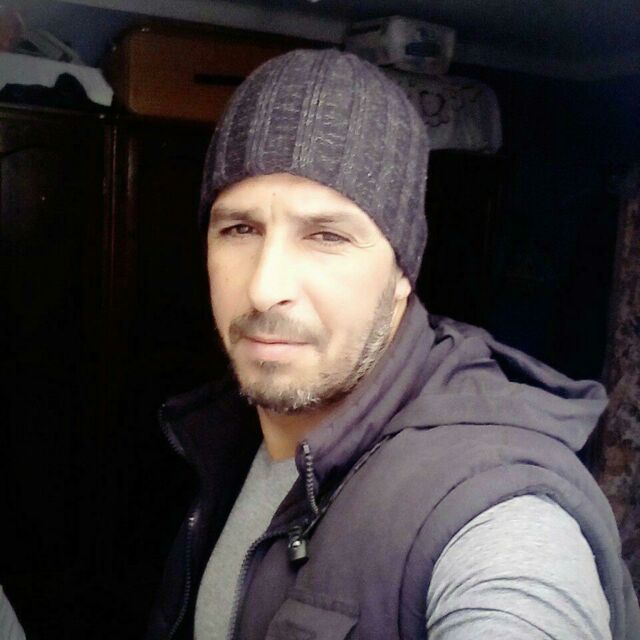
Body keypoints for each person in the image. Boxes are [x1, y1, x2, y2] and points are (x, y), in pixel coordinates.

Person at [146, 48, 640, 640]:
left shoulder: (492, 505)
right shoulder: (228, 429)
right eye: (240, 228)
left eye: (326, 236)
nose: (263, 287)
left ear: (403, 272)